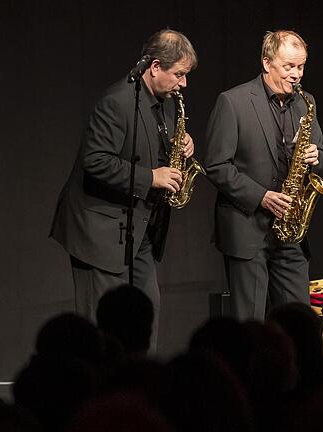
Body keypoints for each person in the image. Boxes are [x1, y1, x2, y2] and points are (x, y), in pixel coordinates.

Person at [50, 29, 197, 352]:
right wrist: (151, 177)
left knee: (147, 313)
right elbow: (95, 161)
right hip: (98, 231)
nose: (183, 84)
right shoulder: (117, 102)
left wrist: (181, 145)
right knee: (99, 327)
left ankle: (139, 388)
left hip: (139, 227)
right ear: (155, 66)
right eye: (179, 75)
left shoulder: (167, 103)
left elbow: (148, 149)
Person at [204, 30, 323, 321]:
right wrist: (261, 197)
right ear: (266, 63)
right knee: (250, 324)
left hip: (290, 232)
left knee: (298, 320)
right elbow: (216, 165)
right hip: (247, 229)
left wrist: (316, 156)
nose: (297, 74)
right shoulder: (233, 102)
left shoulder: (305, 101)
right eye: (288, 66)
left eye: (301, 66)